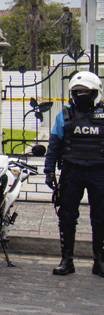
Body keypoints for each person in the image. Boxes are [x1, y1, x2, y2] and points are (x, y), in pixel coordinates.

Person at [44, 71, 104, 277]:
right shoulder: (64, 116)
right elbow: (54, 145)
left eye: (86, 92)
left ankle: (100, 261)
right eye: (78, 92)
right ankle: (67, 260)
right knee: (67, 216)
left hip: (99, 172)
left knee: (100, 217)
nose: (81, 96)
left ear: (96, 93)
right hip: (72, 172)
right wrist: (49, 170)